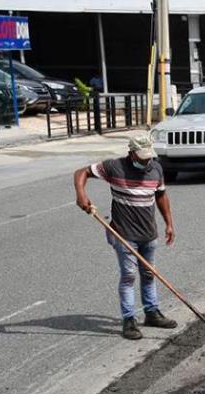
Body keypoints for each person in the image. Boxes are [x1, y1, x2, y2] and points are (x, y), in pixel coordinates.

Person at [73, 134, 177, 340]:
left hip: (149, 233)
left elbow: (161, 196)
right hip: (123, 234)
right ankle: (129, 320)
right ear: (131, 154)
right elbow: (81, 172)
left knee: (148, 274)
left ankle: (152, 313)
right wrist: (81, 194)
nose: (146, 161)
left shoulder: (156, 169)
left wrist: (169, 223)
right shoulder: (114, 167)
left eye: (149, 157)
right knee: (129, 276)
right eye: (142, 158)